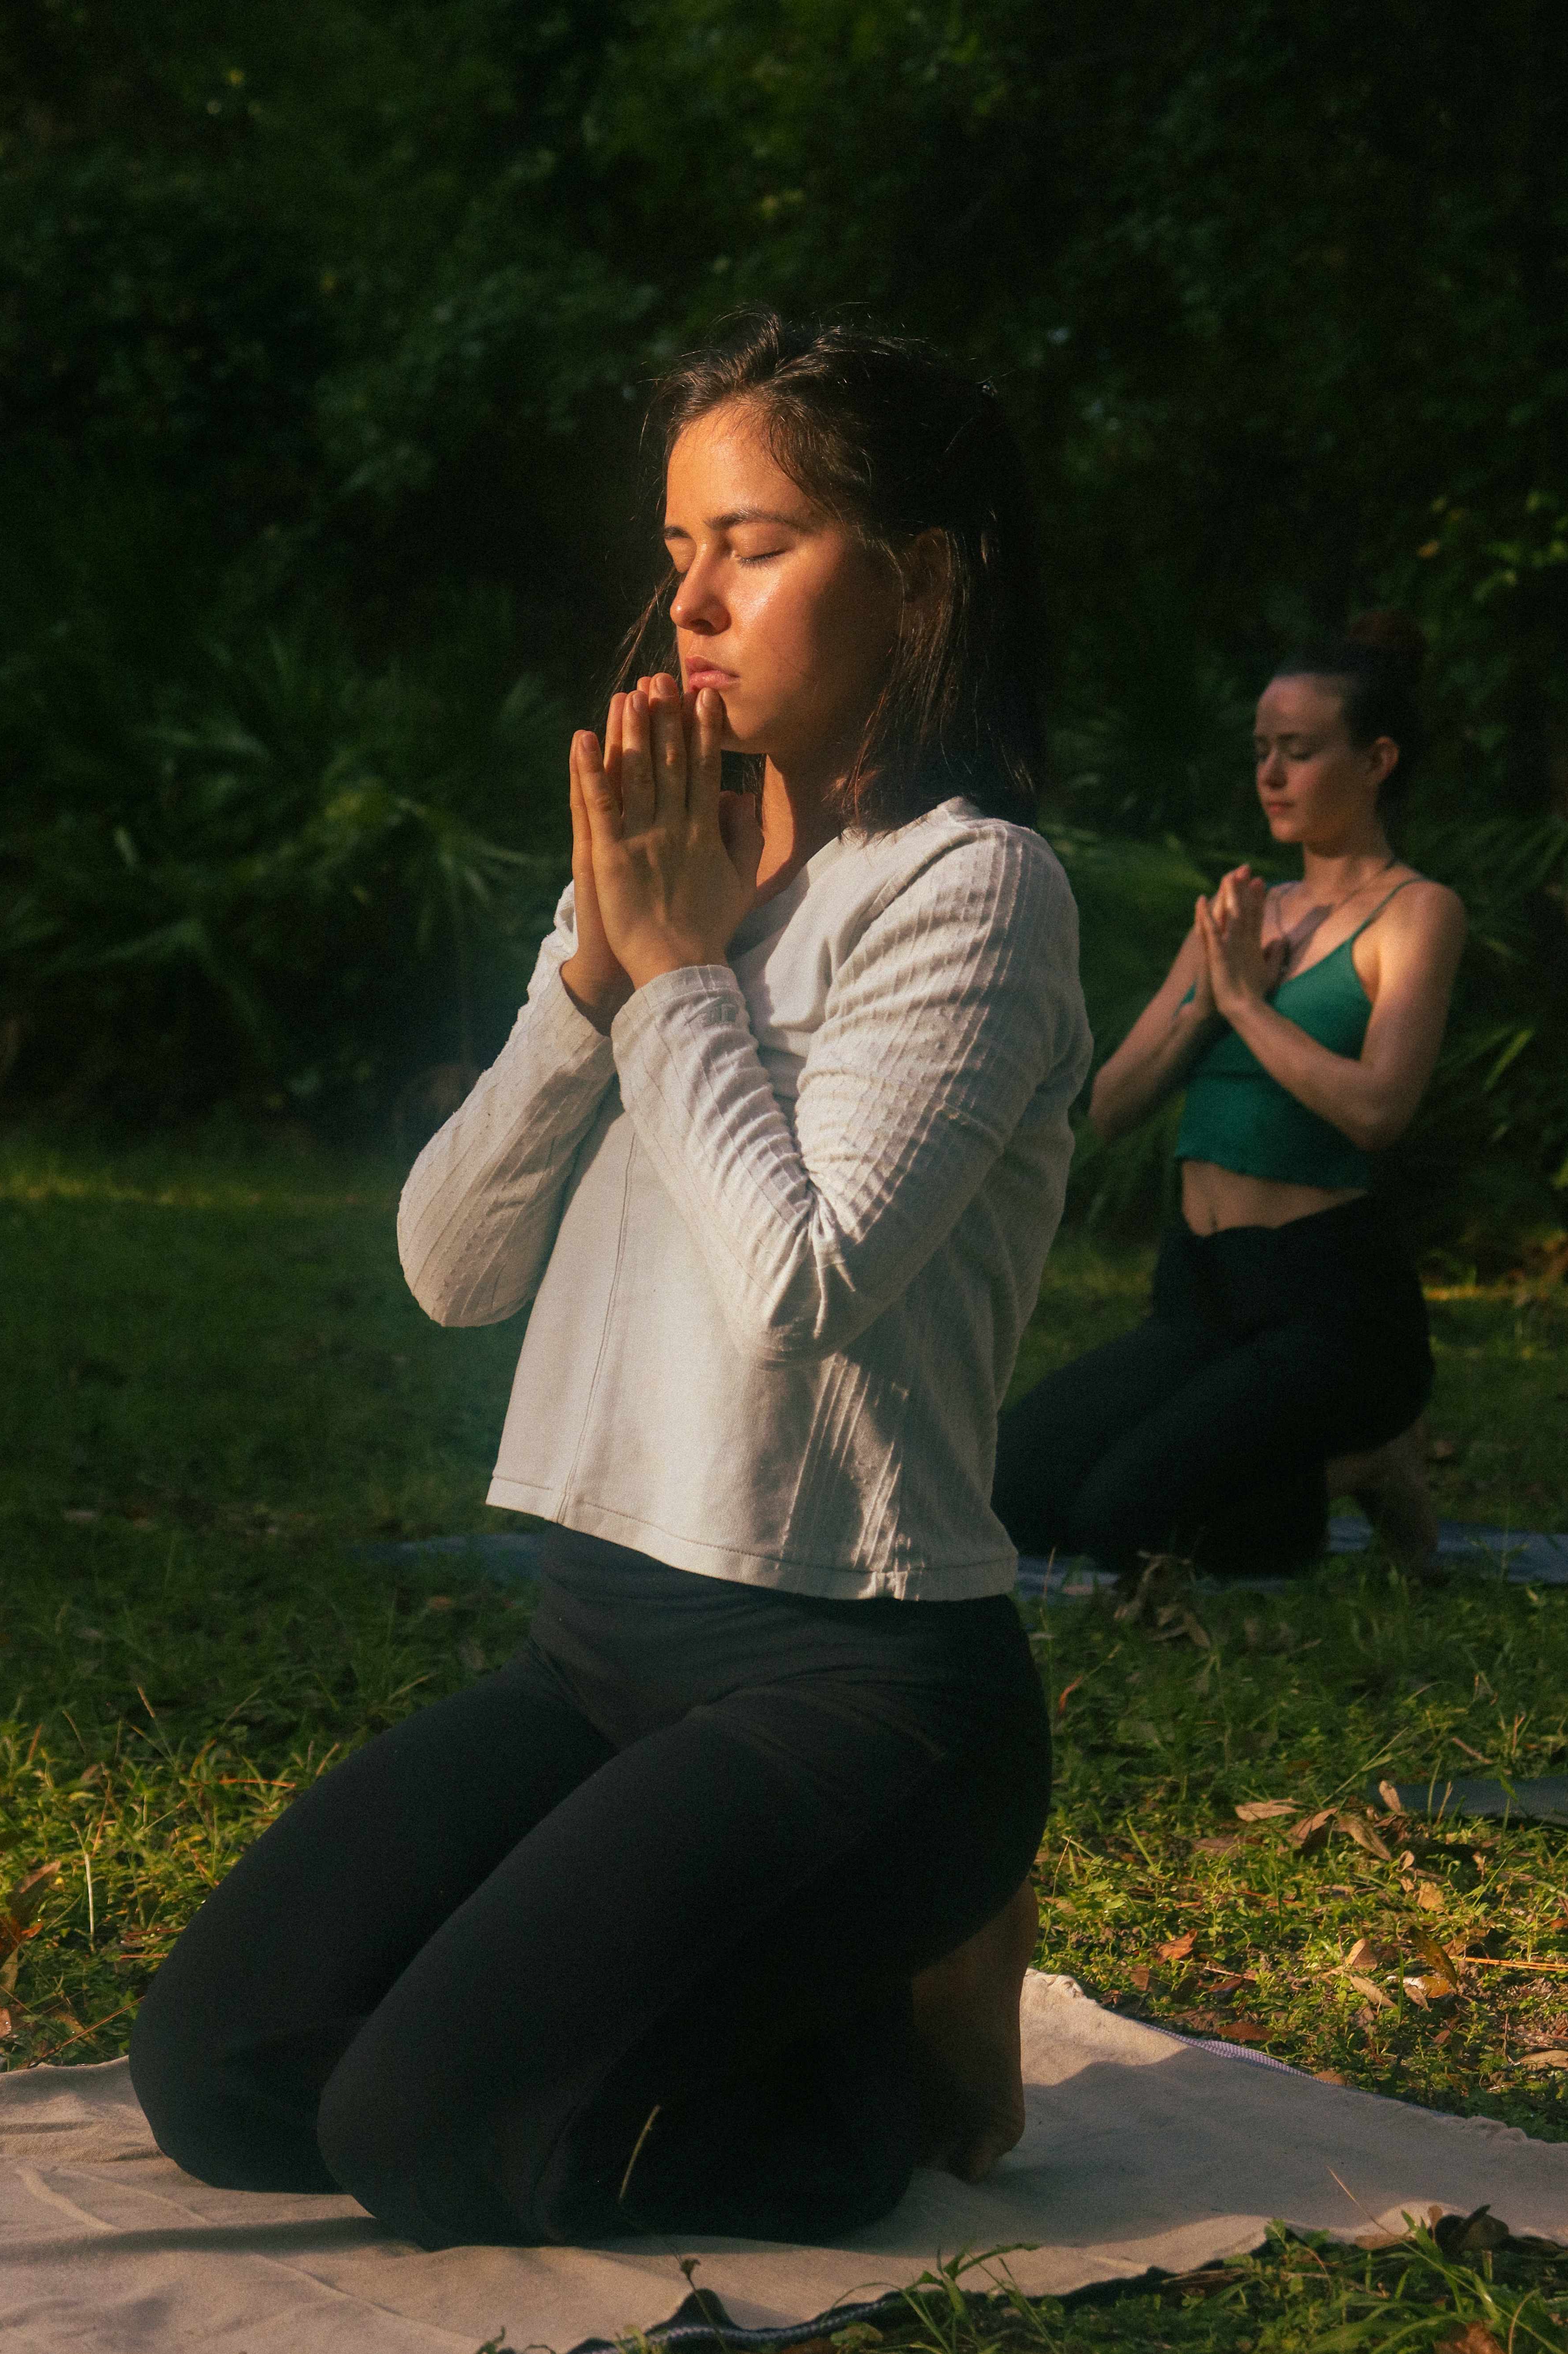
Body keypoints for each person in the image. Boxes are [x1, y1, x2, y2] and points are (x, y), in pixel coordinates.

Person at [128, 315, 1092, 2251]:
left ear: (914, 581)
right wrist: (596, 980)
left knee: (419, 2142)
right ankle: (797, 1983)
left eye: (753, 541)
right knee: (221, 2074)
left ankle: (897, 2040)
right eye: (677, 552)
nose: (692, 603)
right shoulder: (657, 868)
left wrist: (674, 978)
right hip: (600, 1651)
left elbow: (801, 1284)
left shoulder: (975, 888)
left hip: (863, 1692)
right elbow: (447, 1268)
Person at [992, 613, 1466, 1581]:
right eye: (1261, 752)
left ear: (1375, 760)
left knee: (1121, 1521)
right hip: (1198, 1295)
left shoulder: (1414, 914)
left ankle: (1370, 1460)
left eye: (1297, 752)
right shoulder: (1236, 910)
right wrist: (1210, 995)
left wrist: (1246, 1004)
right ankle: (1301, 1467)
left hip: (1325, 1302)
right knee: (1010, 1495)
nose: (1271, 776)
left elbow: (1377, 1110)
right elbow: (1112, 1102)